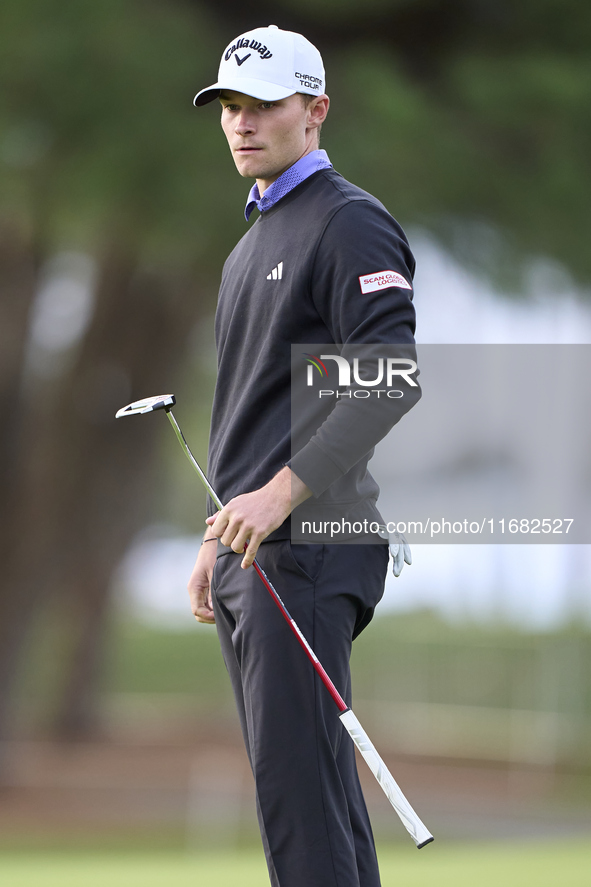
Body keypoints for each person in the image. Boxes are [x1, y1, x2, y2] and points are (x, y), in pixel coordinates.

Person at [187, 25, 419, 887]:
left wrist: (280, 496)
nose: (242, 123)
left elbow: (390, 379)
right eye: (230, 107)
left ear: (314, 111)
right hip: (256, 553)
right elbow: (247, 413)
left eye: (264, 105)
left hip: (313, 541)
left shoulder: (347, 224)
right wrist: (215, 537)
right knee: (307, 804)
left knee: (302, 807)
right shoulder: (248, 248)